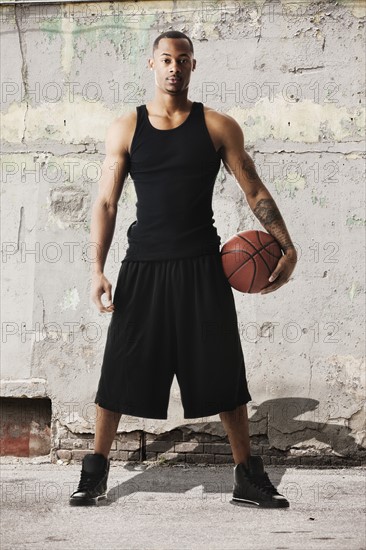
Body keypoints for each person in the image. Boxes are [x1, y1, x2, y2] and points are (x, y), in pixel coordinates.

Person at [69, 31, 297, 508]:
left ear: (194, 66)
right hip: (144, 267)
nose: (175, 67)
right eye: (167, 59)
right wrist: (97, 269)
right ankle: (94, 473)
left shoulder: (218, 126)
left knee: (225, 375)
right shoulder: (126, 128)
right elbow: (107, 202)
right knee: (118, 373)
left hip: (202, 267)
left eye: (184, 60)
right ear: (152, 63)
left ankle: (246, 478)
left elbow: (253, 189)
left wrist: (286, 246)